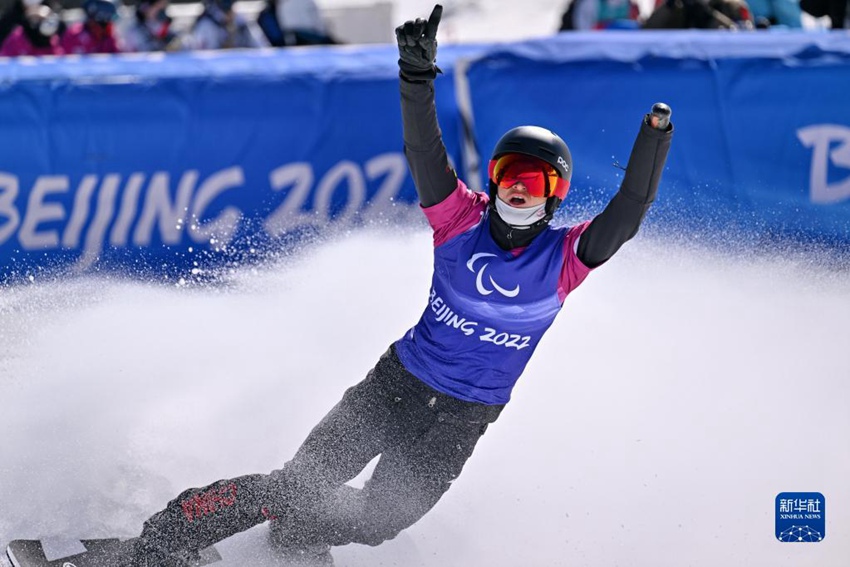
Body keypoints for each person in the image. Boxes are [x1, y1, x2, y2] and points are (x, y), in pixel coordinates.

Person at [118, 4, 673, 566]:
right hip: (395, 386)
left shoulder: (565, 258)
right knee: (297, 483)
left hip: (462, 418)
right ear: (495, 180)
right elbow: (424, 151)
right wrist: (415, 78)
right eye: (509, 176)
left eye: (535, 182)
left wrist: (654, 137)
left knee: (380, 521)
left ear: (556, 193)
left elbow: (628, 211)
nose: (519, 192)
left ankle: (295, 536)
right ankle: (164, 538)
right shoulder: (459, 221)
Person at [185, 0, 268, 50]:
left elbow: (263, 50)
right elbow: (203, 60)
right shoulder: (207, 24)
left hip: (242, 69)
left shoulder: (243, 22)